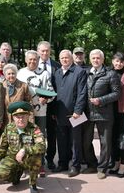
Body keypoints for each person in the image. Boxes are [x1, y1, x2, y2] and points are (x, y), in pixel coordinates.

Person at [0, 102, 45, 193]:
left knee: (36, 158)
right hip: (13, 158)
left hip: (28, 158)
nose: (21, 119)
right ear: (13, 118)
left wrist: (25, 150)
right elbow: (1, 149)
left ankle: (33, 184)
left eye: (23, 116)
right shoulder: (9, 128)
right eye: (18, 117)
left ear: (28, 116)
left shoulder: (34, 128)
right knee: (0, 173)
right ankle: (16, 175)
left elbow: (42, 146)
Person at [83, 49, 120, 179]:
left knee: (105, 143)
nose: (96, 60)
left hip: (104, 113)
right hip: (87, 113)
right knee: (85, 141)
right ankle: (92, 164)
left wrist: (101, 100)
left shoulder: (110, 74)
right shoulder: (86, 73)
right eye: (93, 58)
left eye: (98, 58)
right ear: (90, 60)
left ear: (103, 60)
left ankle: (102, 168)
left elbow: (117, 93)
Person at [17, 50, 55, 177]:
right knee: (24, 139)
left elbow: (51, 92)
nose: (32, 61)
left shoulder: (44, 73)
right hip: (24, 112)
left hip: (40, 112)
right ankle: (24, 166)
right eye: (30, 59)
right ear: (26, 60)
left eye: (35, 59)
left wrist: (46, 98)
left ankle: (40, 165)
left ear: (38, 61)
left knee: (39, 139)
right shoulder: (20, 73)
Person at [51, 50, 88, 177]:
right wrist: (54, 111)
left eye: (67, 58)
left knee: (75, 141)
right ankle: (62, 164)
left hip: (75, 114)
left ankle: (75, 166)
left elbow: (82, 93)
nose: (64, 60)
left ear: (71, 58)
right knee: (61, 140)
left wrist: (78, 110)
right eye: (62, 58)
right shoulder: (57, 73)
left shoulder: (80, 72)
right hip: (60, 113)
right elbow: (54, 94)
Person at [37, 41, 60, 170]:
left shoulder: (57, 66)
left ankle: (50, 158)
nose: (45, 53)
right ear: (38, 51)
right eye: (42, 51)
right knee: (38, 134)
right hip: (37, 106)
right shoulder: (33, 65)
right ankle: (38, 159)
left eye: (47, 50)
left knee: (52, 134)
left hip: (52, 106)